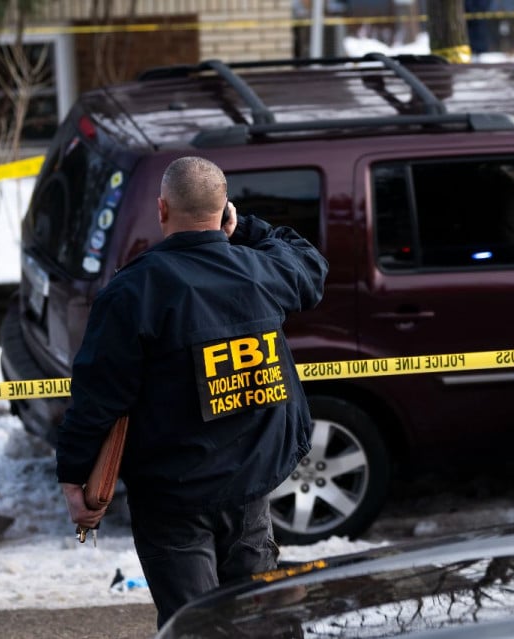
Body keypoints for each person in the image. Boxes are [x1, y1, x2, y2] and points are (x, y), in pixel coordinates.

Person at [55, 156, 328, 628]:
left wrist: (74, 475)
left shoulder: (133, 291)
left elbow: (98, 398)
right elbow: (309, 262)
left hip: (172, 500)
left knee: (194, 627)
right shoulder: (259, 270)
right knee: (260, 621)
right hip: (250, 487)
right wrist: (245, 228)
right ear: (224, 213)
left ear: (161, 209)